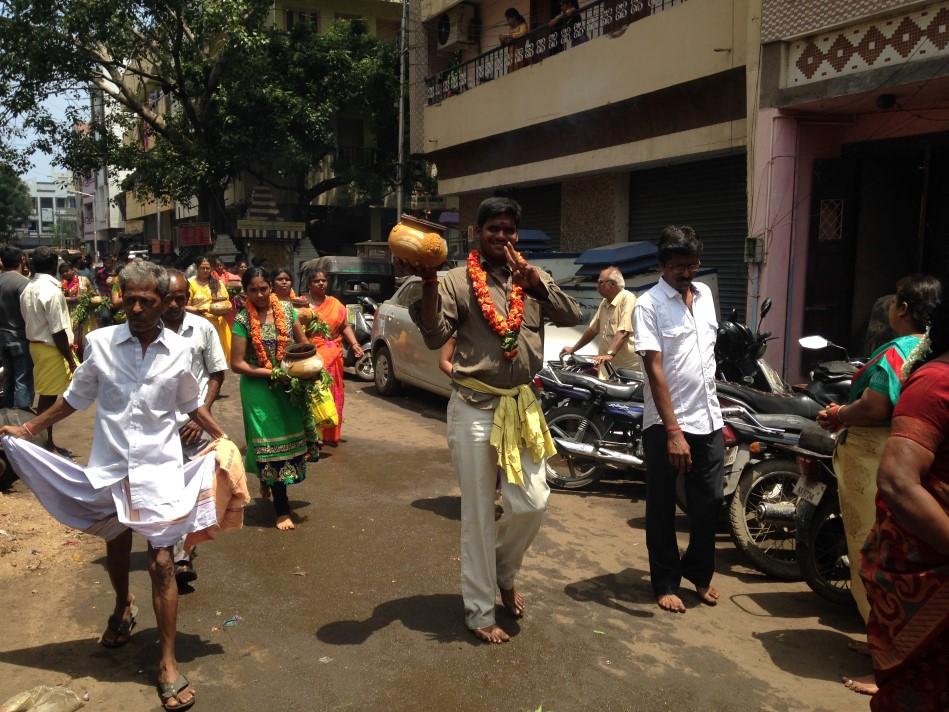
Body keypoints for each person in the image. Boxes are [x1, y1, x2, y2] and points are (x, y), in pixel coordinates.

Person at [0, 260, 231, 711]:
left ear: (164, 303)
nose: (138, 307)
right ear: (118, 297)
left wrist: (222, 438)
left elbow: (188, 403)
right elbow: (75, 397)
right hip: (111, 470)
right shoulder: (101, 343)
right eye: (131, 298)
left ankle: (167, 661)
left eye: (148, 300)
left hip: (161, 470)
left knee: (163, 561)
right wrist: (30, 431)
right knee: (118, 546)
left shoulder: (180, 350)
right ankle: (124, 607)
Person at [405, 196, 581, 644]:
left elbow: (574, 314)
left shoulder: (530, 278)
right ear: (476, 234)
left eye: (508, 230)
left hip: (522, 405)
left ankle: (504, 571)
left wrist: (537, 283)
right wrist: (428, 282)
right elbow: (433, 335)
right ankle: (479, 610)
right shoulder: (455, 280)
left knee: (533, 501)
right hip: (475, 406)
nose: (502, 237)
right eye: (493, 230)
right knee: (479, 513)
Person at [817, 274, 941, 697]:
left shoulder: (903, 353)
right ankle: (880, 647)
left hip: (877, 462)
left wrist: (839, 415)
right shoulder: (926, 354)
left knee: (878, 562)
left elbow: (877, 406)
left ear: (902, 308)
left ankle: (885, 665)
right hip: (898, 462)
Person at [860, 287, 949, 712]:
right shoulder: (933, 379)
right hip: (926, 570)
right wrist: (840, 415)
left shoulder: (903, 353)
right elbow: (897, 479)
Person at [632, 225, 723, 614]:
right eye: (680, 266)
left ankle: (699, 574)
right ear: (663, 265)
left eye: (693, 264)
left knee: (710, 502)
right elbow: (655, 369)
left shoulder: (704, 296)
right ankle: (666, 581)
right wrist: (673, 431)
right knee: (663, 504)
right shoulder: (647, 305)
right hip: (667, 424)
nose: (688, 273)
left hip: (709, 416)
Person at [231, 267, 315, 530]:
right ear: (245, 292)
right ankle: (281, 509)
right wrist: (271, 372)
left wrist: (308, 369)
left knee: (290, 441)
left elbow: (304, 347)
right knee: (269, 442)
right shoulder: (243, 320)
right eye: (253, 290)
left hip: (286, 386)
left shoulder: (288, 313)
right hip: (258, 389)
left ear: (271, 287)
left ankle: (268, 481)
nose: (259, 294)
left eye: (263, 288)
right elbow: (236, 363)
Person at [163, 270, 228, 586]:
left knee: (190, 491)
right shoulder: (149, 331)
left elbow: (217, 373)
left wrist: (199, 416)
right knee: (165, 490)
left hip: (194, 426)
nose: (175, 304)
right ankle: (168, 548)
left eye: (180, 298)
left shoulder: (203, 328)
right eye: (169, 298)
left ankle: (182, 555)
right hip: (159, 427)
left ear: (188, 299)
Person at [20, 246, 78, 454]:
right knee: (49, 398)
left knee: (48, 396)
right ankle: (45, 445)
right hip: (51, 348)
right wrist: (70, 360)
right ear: (54, 266)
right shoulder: (51, 291)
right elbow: (58, 331)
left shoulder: (29, 287)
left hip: (38, 346)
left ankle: (46, 443)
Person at [304, 269, 364, 446]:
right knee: (313, 395)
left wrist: (354, 344)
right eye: (317, 281)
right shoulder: (302, 304)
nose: (321, 283)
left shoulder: (335, 303)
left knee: (333, 393)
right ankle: (313, 434)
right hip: (310, 354)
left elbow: (344, 326)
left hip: (333, 353)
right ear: (309, 284)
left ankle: (330, 433)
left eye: (323, 280)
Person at [561, 265, 639, 377]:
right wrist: (573, 348)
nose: (597, 286)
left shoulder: (628, 298)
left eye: (600, 282)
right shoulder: (605, 302)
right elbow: (592, 330)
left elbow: (623, 332)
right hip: (608, 366)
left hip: (626, 370)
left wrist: (609, 354)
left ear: (612, 284)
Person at [0, 245, 34, 410]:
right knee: (23, 379)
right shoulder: (23, 283)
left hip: (2, 337)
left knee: (9, 376)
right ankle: (21, 418)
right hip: (19, 337)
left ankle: (7, 415)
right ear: (22, 260)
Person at [188, 256, 232, 366]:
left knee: (218, 361)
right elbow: (184, 306)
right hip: (198, 325)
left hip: (218, 325)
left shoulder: (218, 284)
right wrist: (198, 310)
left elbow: (227, 302)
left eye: (208, 268)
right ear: (197, 268)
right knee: (200, 360)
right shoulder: (190, 284)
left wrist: (221, 308)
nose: (205, 270)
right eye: (202, 268)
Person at [60, 258, 96, 357]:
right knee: (73, 340)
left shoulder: (83, 280)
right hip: (69, 315)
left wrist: (89, 298)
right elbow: (60, 299)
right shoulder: (60, 285)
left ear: (73, 270)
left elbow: (92, 293)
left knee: (86, 340)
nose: (65, 274)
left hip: (85, 315)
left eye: (67, 271)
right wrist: (75, 299)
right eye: (62, 272)